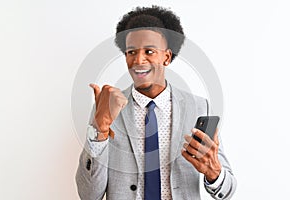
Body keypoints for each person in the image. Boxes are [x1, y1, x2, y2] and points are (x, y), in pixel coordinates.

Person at [76, 5, 236, 200]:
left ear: (167, 57)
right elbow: (88, 195)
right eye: (131, 52)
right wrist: (99, 130)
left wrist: (214, 172)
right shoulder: (106, 109)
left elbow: (227, 192)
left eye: (149, 51)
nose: (138, 60)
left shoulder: (199, 108)